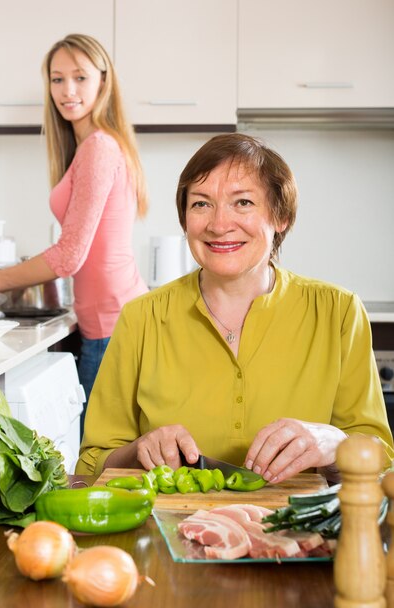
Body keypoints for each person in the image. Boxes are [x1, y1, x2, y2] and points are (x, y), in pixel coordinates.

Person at [76, 133, 394, 482]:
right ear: (184, 219)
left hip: (301, 533)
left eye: (242, 202)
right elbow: (92, 462)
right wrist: (138, 451)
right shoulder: (141, 318)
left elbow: (381, 459)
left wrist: (335, 444)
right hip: (169, 530)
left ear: (280, 216)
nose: (219, 224)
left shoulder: (339, 312)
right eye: (201, 204)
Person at [0, 34, 148, 432]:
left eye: (79, 77)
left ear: (103, 81)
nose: (67, 90)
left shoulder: (99, 147)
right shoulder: (93, 146)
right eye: (57, 79)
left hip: (113, 326)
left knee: (99, 460)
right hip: (109, 320)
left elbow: (68, 255)